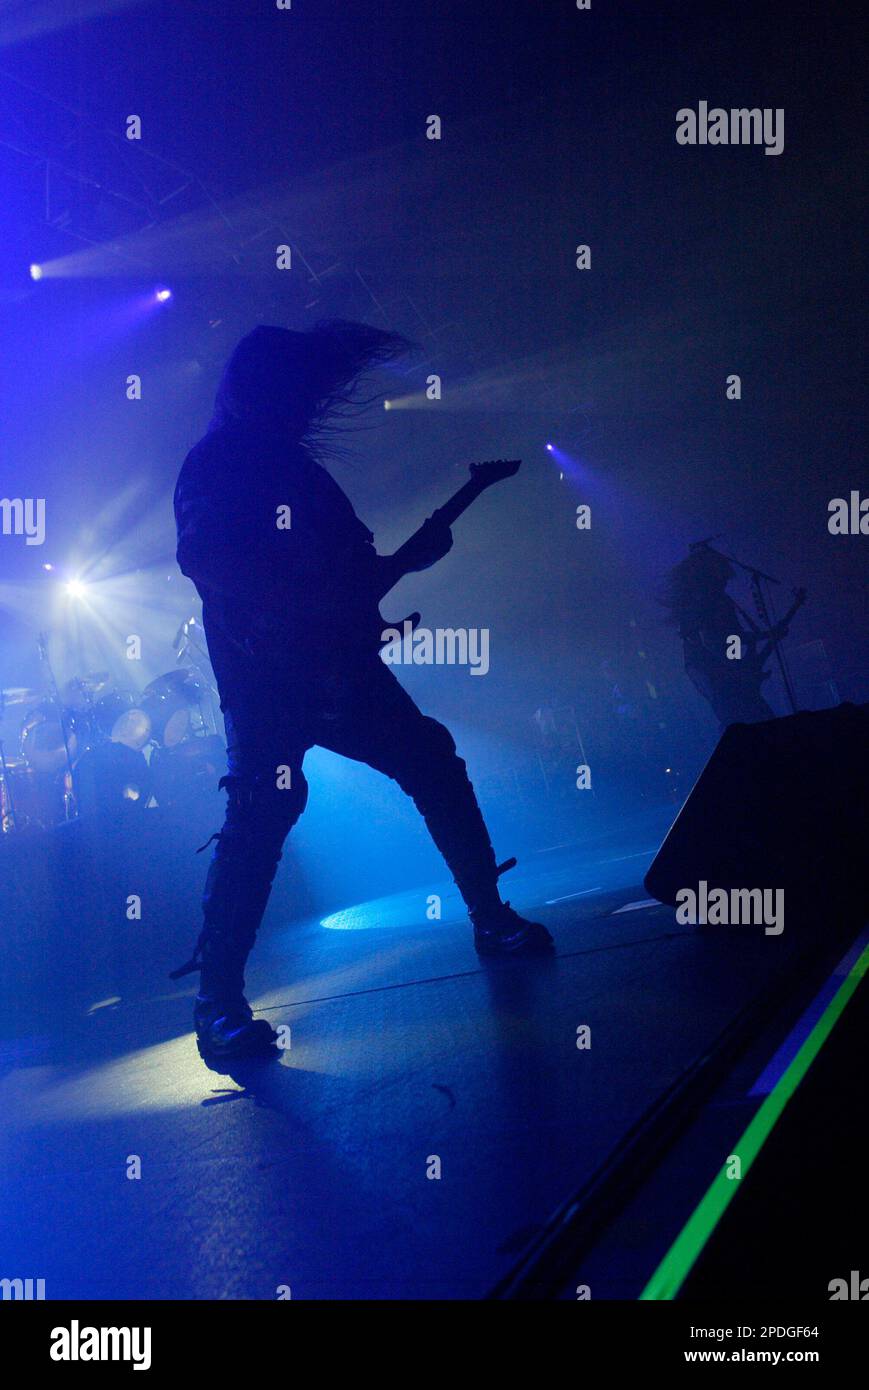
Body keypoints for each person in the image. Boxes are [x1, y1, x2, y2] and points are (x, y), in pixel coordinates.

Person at [172, 321, 553, 1062]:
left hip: (335, 664)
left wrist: (402, 565)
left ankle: (488, 917)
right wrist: (305, 606)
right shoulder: (218, 461)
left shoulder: (299, 472)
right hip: (267, 675)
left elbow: (357, 569)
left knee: (428, 761)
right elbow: (207, 558)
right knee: (263, 807)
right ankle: (216, 1000)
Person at [660, 545, 782, 728]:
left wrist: (762, 639)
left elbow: (731, 639)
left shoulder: (711, 600)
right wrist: (741, 664)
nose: (726, 577)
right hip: (724, 682)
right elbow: (714, 642)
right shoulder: (707, 601)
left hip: (724, 682)